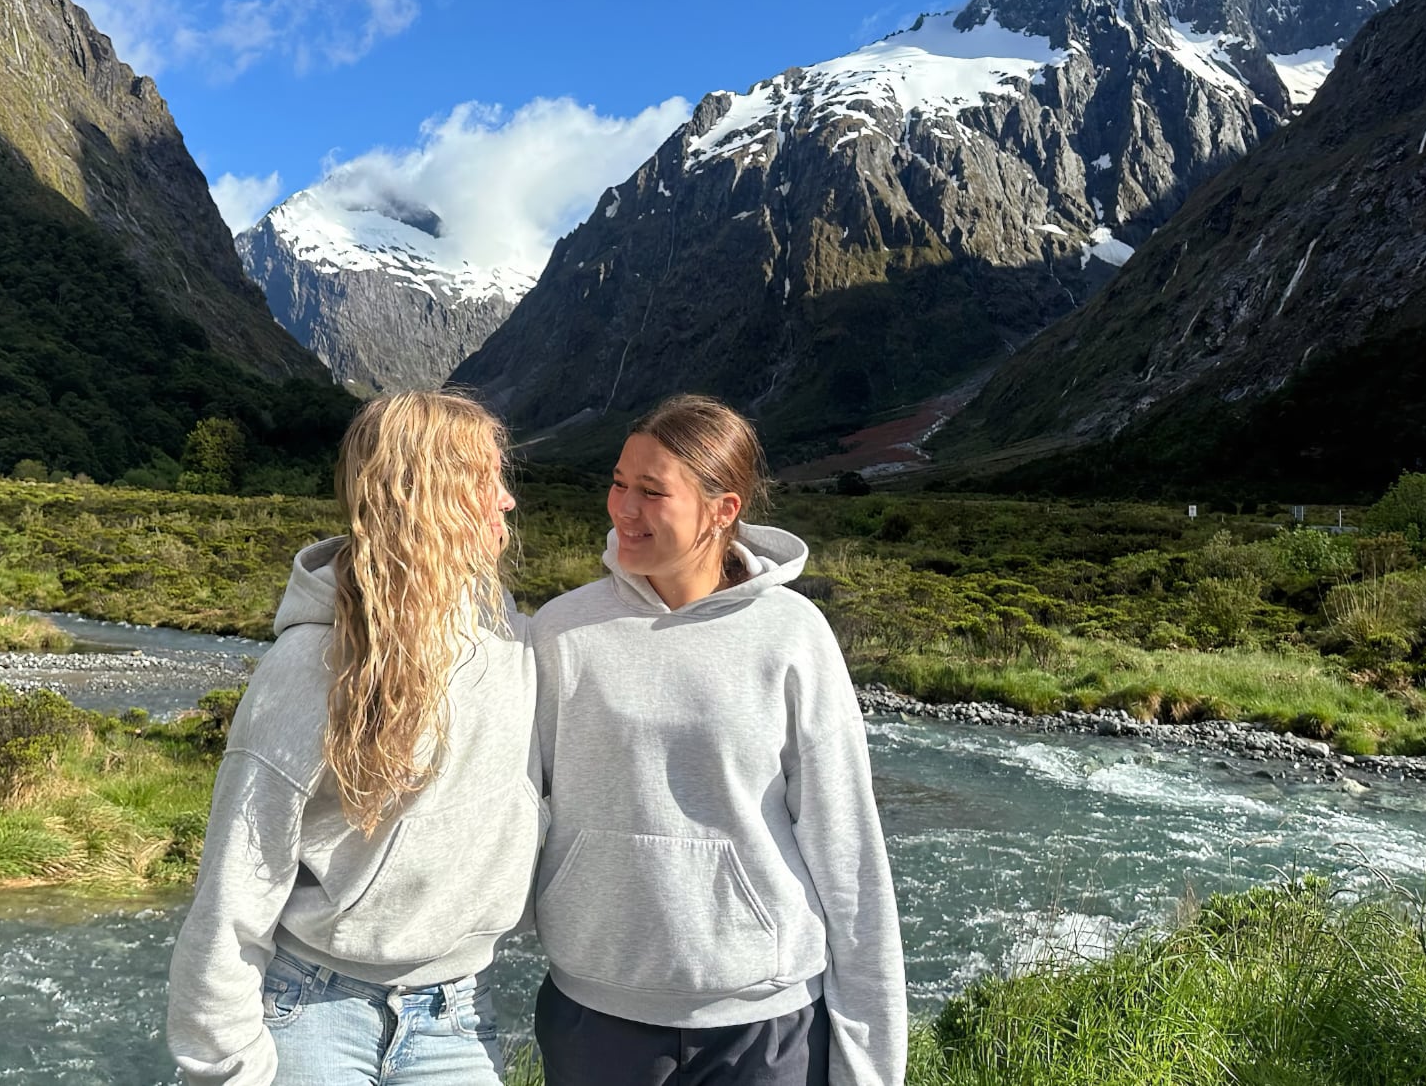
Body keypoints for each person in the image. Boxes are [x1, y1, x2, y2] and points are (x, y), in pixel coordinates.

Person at [529, 395, 905, 1086]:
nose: (623, 509)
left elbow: (847, 850)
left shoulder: (792, 635)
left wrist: (872, 1066)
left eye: (651, 491)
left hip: (766, 1027)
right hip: (595, 1018)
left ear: (723, 510)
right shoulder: (559, 633)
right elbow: (507, 812)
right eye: (618, 482)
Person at [167, 391, 539, 1086]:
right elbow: (233, 891)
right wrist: (227, 1068)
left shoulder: (516, 643)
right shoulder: (308, 670)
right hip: (312, 1013)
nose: (506, 502)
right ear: (434, 496)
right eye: (489, 480)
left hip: (460, 1017)